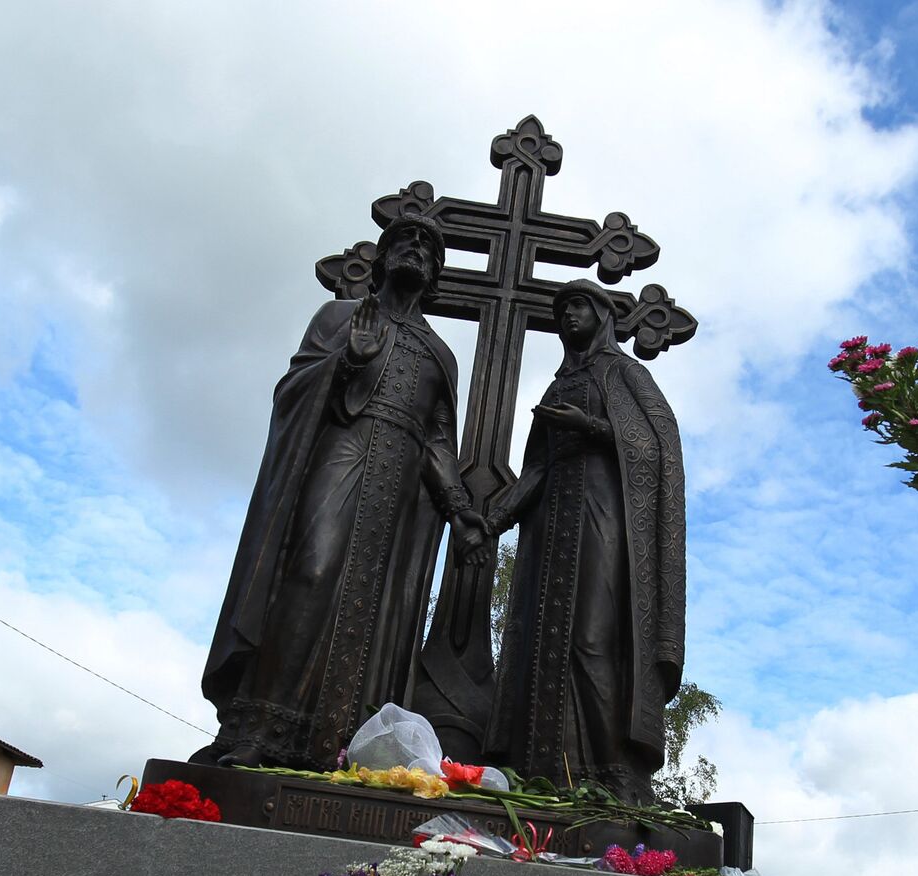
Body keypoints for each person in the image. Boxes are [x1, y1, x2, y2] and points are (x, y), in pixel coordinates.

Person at [194, 215, 490, 770]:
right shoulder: (340, 316)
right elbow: (293, 389)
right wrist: (348, 357)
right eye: (407, 242)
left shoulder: (439, 354)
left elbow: (438, 441)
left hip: (398, 487)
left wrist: (458, 510)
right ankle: (260, 729)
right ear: (382, 257)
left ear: (436, 274)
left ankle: (339, 743)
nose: (418, 252)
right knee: (311, 570)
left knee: (376, 609)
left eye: (429, 249)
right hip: (341, 453)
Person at [483, 280, 685, 803]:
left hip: (606, 523)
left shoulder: (625, 373)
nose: (568, 315)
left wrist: (593, 427)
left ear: (601, 313)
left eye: (578, 305)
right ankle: (545, 770)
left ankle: (615, 770)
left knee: (594, 639)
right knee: (540, 639)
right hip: (552, 531)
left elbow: (657, 445)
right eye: (562, 309)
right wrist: (492, 519)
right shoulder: (555, 388)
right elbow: (536, 467)